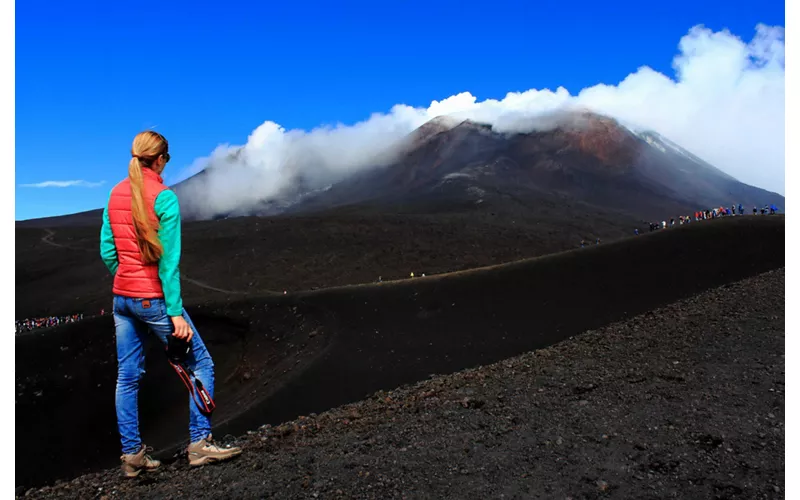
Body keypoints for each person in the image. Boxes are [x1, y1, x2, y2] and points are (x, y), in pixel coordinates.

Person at [100, 131, 241, 478]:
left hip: (122, 300)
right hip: (153, 300)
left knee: (127, 377)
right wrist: (175, 313)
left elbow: (107, 250)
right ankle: (200, 444)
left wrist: (128, 279)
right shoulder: (164, 198)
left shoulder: (116, 193)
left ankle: (132, 456)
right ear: (161, 159)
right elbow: (169, 264)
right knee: (201, 364)